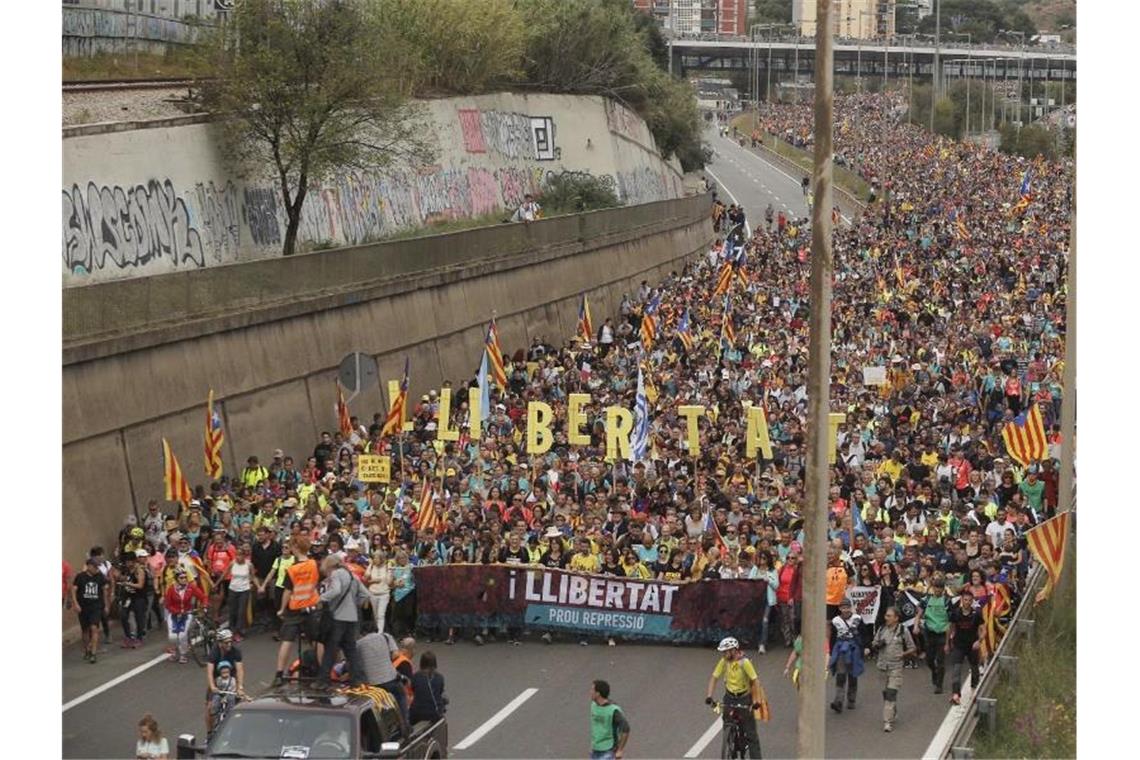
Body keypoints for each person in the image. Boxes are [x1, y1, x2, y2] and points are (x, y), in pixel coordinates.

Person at [274, 535, 323, 686]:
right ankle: (323, 672)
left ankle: (279, 674)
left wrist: (282, 609)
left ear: (295, 548)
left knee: (287, 640)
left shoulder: (292, 569)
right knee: (317, 640)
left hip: (295, 608)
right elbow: (317, 582)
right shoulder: (314, 564)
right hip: (312, 606)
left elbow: (287, 591)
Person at [704, 637, 763, 759]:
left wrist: (756, 701)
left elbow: (755, 681)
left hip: (744, 698)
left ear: (734, 650)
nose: (724, 654)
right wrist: (709, 696)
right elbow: (714, 678)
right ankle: (730, 742)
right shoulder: (724, 661)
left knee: (751, 735)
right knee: (727, 722)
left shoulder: (745, 663)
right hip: (730, 697)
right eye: (723, 652)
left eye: (727, 651)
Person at [867, 606, 917, 732]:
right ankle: (892, 711)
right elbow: (874, 643)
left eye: (889, 616)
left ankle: (887, 722)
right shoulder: (882, 629)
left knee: (891, 692)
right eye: (886, 616)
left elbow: (913, 648)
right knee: (886, 693)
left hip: (896, 667)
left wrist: (903, 655)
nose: (886, 618)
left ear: (896, 618)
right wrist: (877, 645)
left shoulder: (903, 630)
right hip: (882, 666)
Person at [318, 554, 364, 687]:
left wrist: (321, 598)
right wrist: (355, 605)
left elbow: (336, 591)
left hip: (338, 617)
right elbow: (364, 594)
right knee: (351, 650)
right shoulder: (352, 576)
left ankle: (323, 680)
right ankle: (356, 679)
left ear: (330, 566)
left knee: (331, 649)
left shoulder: (336, 574)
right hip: (352, 618)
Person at [356, 630, 410, 724]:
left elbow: (357, 664)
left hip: (372, 684)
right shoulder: (386, 636)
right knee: (401, 695)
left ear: (362, 633)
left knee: (377, 705)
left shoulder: (358, 643)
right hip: (390, 679)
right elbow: (395, 654)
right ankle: (404, 723)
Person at [913, 575, 951, 694]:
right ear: (933, 588)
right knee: (929, 659)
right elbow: (919, 614)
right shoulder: (926, 600)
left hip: (941, 633)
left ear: (943, 589)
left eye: (940, 588)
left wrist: (947, 642)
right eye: (936, 588)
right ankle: (934, 672)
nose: (938, 590)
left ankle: (939, 685)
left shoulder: (947, 601)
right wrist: (916, 626)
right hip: (929, 633)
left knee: (940, 660)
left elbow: (950, 621)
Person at [947, 587, 983, 705]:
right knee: (956, 669)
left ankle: (974, 690)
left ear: (972, 601)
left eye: (969, 600)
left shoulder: (976, 614)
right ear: (962, 600)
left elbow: (983, 629)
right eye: (965, 600)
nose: (967, 602)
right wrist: (948, 642)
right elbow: (951, 628)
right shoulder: (956, 614)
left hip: (972, 645)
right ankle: (956, 694)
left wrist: (979, 641)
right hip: (959, 645)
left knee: (974, 668)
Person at [205, 629, 245, 735]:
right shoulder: (214, 651)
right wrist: (213, 686)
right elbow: (209, 672)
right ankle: (209, 734)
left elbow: (240, 670)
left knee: (237, 706)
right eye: (226, 642)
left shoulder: (235, 651)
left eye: (231, 641)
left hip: (231, 678)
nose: (229, 644)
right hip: (217, 679)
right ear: (220, 643)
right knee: (210, 707)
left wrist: (240, 687)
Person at [163, 568, 206, 664]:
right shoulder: (171, 589)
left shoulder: (191, 587)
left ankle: (183, 654)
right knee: (172, 636)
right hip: (174, 614)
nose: (184, 579)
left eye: (185, 577)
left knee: (182, 635)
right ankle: (174, 652)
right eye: (181, 578)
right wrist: (176, 611)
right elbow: (167, 604)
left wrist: (204, 605)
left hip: (187, 613)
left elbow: (203, 597)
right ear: (176, 579)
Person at [828, 597, 864, 713]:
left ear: (851, 608)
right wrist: (831, 651)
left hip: (853, 649)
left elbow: (864, 634)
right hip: (841, 649)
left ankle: (851, 699)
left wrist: (866, 647)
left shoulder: (857, 619)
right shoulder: (835, 621)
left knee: (853, 675)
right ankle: (838, 701)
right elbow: (833, 636)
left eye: (847, 607)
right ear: (840, 609)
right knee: (841, 674)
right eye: (843, 608)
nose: (846, 610)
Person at [73, 557, 109, 663]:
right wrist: (76, 603)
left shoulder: (100, 577)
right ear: (88, 566)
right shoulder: (80, 577)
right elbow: (74, 590)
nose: (96, 569)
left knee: (94, 628)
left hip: (96, 606)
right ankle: (87, 650)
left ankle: (93, 653)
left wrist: (106, 605)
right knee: (85, 630)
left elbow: (104, 591)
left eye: (97, 566)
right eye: (94, 566)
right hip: (83, 606)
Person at [589, 679, 630, 760]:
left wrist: (620, 750)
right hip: (595, 750)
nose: (590, 692)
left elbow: (626, 728)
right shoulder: (593, 705)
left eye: (592, 690)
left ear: (598, 693)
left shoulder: (613, 710)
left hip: (609, 751)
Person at [409, 651, 448, 724]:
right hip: (435, 713)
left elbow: (414, 690)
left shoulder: (416, 676)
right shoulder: (439, 677)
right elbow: (440, 692)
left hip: (418, 712)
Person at [207, 660, 240, 736]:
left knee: (231, 699)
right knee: (216, 698)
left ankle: (230, 712)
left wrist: (235, 692)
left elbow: (233, 689)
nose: (225, 674)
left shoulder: (232, 680)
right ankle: (214, 710)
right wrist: (216, 690)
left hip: (229, 694)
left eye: (226, 672)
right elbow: (216, 688)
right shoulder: (218, 680)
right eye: (223, 673)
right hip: (221, 694)